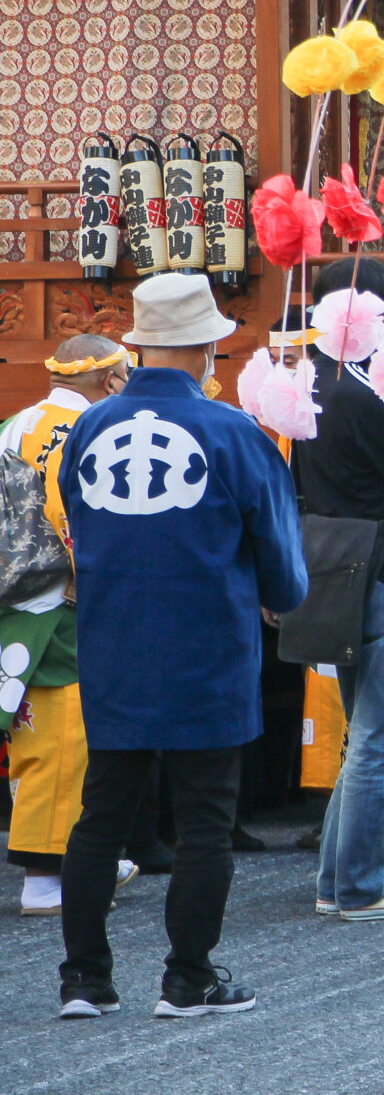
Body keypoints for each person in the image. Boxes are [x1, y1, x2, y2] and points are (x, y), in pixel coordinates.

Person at [56, 273, 305, 1021]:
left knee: (102, 813)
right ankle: (188, 978)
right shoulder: (234, 432)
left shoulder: (90, 429)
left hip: (114, 642)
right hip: (207, 645)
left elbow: (76, 522)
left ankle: (83, 981)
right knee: (204, 821)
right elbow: (282, 564)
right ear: (203, 349)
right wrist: (278, 596)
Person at [296, 255, 384, 924]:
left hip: (330, 566)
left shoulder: (307, 379)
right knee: (380, 734)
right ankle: (360, 884)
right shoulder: (374, 389)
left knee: (365, 735)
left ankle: (336, 879)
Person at [0, 337, 132, 918]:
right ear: (109, 381)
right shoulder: (81, 431)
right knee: (60, 740)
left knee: (37, 736)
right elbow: (71, 515)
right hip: (54, 603)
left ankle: (84, 853)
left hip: (16, 603)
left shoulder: (14, 423)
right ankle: (45, 876)